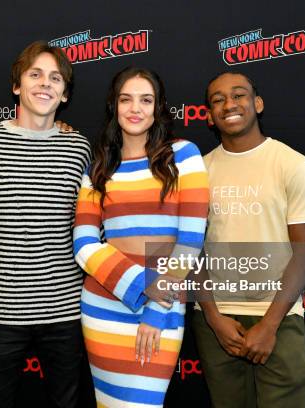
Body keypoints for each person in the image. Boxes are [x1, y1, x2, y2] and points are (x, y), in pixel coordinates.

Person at [0, 41, 91, 408]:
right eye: (35, 74)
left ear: (64, 94)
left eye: (55, 78)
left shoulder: (79, 147)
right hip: (0, 309)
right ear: (16, 86)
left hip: (65, 308)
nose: (45, 84)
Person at [73, 66, 209, 407]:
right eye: (126, 99)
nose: (135, 108)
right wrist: (140, 285)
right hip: (102, 304)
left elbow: (190, 242)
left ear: (158, 106)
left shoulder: (183, 156)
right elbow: (84, 244)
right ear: (113, 106)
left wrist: (154, 308)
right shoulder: (99, 167)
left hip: (161, 307)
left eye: (145, 100)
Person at [193, 71, 305, 407]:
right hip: (217, 323)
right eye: (217, 100)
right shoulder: (197, 172)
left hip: (279, 319)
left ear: (257, 103)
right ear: (209, 115)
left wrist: (269, 324)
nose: (229, 104)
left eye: (239, 95)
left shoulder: (291, 164)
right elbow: (187, 251)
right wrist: (213, 318)